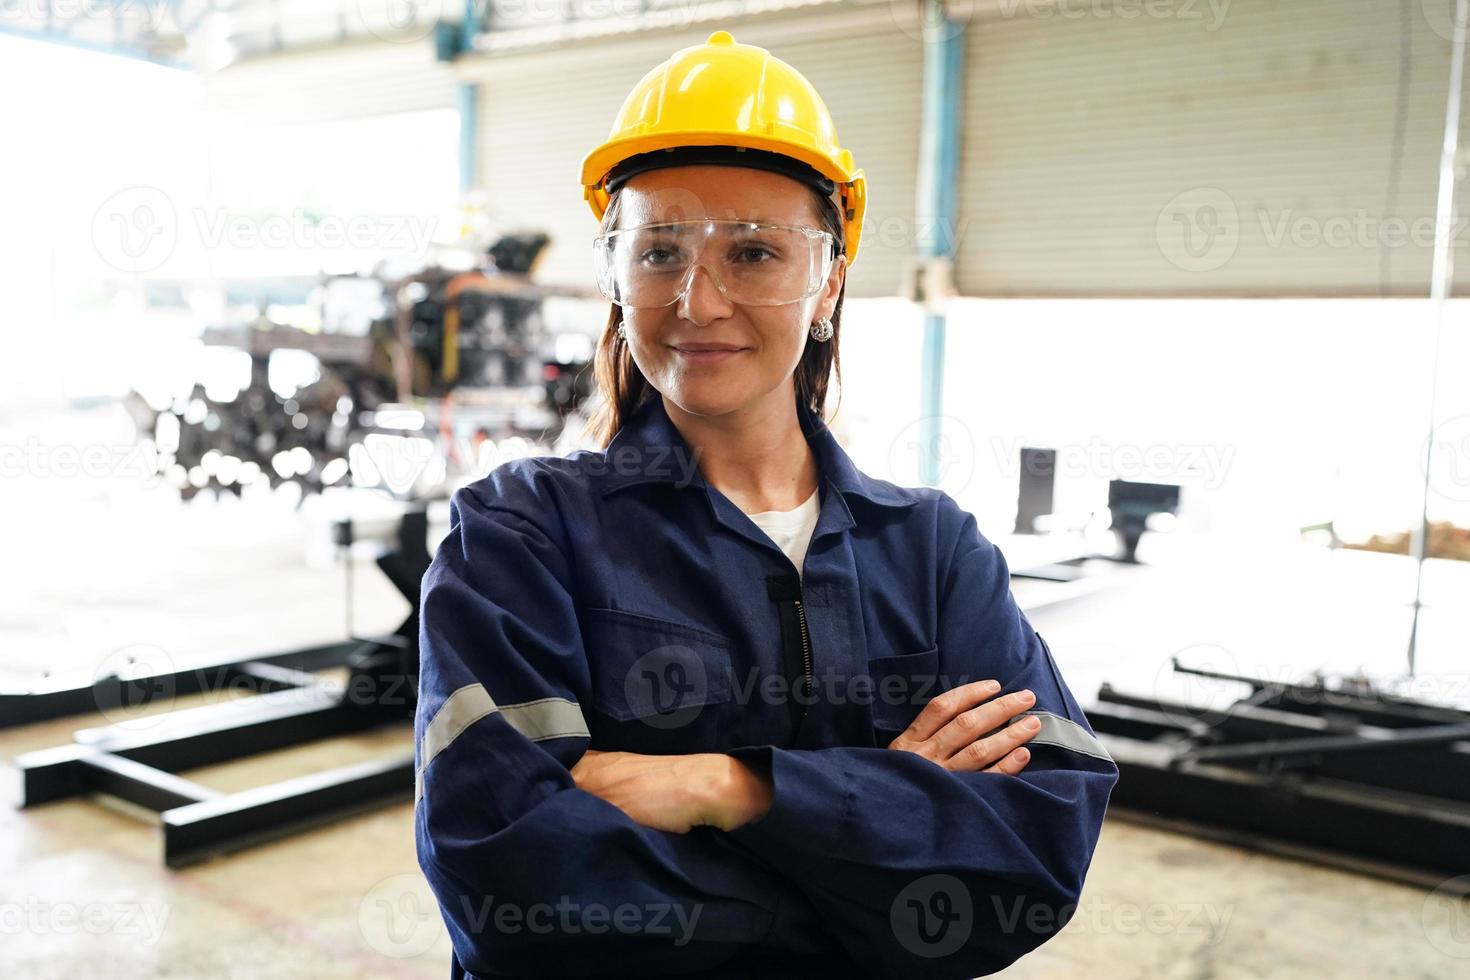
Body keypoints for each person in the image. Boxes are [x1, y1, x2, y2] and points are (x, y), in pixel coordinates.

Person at [414, 30, 1117, 980]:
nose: (698, 302)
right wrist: (882, 825)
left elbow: (1038, 853)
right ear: (616, 282)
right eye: (659, 252)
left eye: (752, 253)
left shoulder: (933, 550)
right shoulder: (519, 533)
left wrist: (729, 788)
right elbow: (511, 882)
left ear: (828, 281)